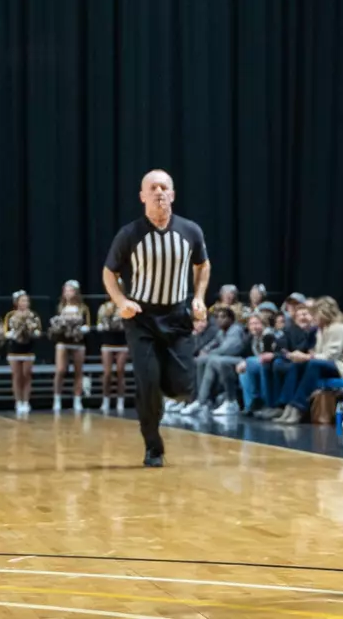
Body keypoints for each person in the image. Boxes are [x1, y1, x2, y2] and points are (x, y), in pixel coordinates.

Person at [101, 169, 210, 467]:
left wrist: (199, 297)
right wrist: (121, 301)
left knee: (183, 387)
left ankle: (162, 387)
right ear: (143, 196)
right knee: (147, 383)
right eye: (153, 187)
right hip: (142, 318)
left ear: (172, 195)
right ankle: (153, 446)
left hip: (177, 316)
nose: (159, 191)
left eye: (165, 187)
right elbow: (109, 272)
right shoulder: (129, 234)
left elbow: (203, 265)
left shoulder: (190, 231)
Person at [273, 296, 343, 424]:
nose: (313, 317)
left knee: (313, 364)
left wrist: (307, 357)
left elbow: (330, 356)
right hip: (329, 364)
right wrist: (303, 357)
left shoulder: (338, 328)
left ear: (324, 313)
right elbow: (319, 353)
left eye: (315, 314)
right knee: (297, 366)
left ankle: (298, 408)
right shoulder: (322, 330)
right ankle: (287, 405)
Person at [48, 280, 90, 413]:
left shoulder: (83, 308)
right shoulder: (61, 307)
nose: (68, 293)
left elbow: (88, 324)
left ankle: (77, 399)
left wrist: (83, 329)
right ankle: (57, 399)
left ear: (76, 292)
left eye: (70, 290)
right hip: (63, 341)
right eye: (66, 290)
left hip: (78, 342)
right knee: (60, 370)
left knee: (78, 371)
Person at [4, 291, 42, 417]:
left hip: (28, 349)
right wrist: (12, 334)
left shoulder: (33, 315)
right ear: (16, 302)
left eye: (26, 301)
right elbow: (5, 332)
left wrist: (33, 332)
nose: (24, 303)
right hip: (14, 350)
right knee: (16, 376)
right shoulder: (10, 315)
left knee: (26, 375)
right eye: (22, 301)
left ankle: (26, 401)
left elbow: (39, 330)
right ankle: (18, 401)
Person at [94, 297, 129, 413]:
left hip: (122, 343)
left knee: (120, 371)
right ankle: (106, 399)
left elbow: (130, 321)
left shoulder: (126, 305)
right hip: (107, 342)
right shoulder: (104, 307)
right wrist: (102, 325)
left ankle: (120, 400)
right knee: (107, 373)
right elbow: (99, 321)